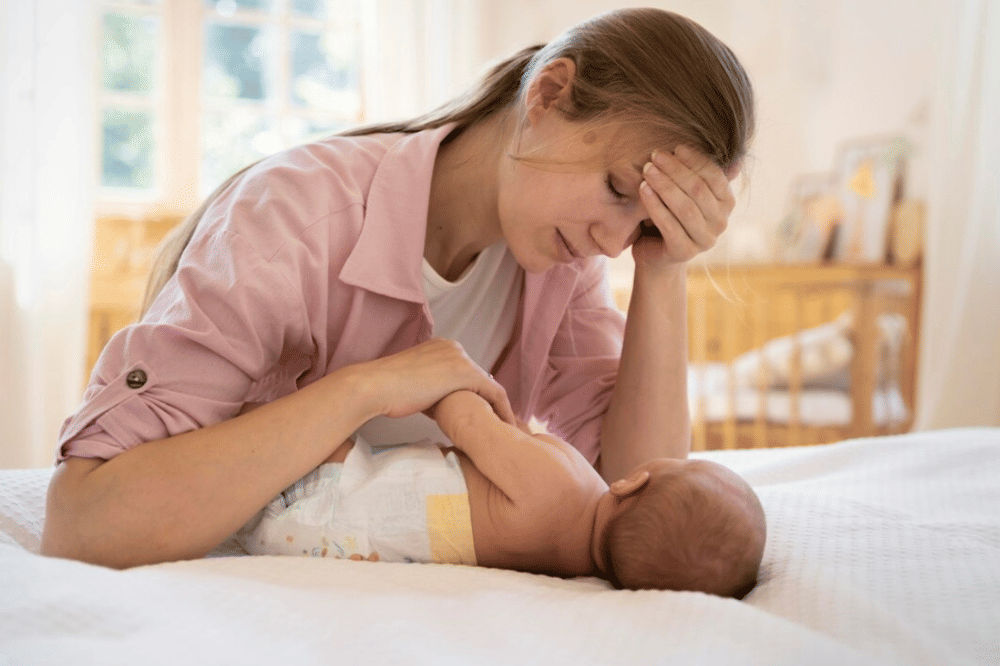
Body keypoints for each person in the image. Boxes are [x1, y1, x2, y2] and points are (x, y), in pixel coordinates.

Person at [41, 7, 755, 569]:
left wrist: (664, 269)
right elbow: (85, 521)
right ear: (549, 92)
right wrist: (365, 388)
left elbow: (633, 512)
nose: (612, 242)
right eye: (617, 190)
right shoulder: (292, 217)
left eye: (644, 224)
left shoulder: (563, 265)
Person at [241, 390, 767, 597]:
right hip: (314, 540)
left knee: (307, 402)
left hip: (325, 489)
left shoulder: (567, 482)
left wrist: (449, 381)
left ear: (632, 483)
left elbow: (470, 424)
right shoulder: (566, 566)